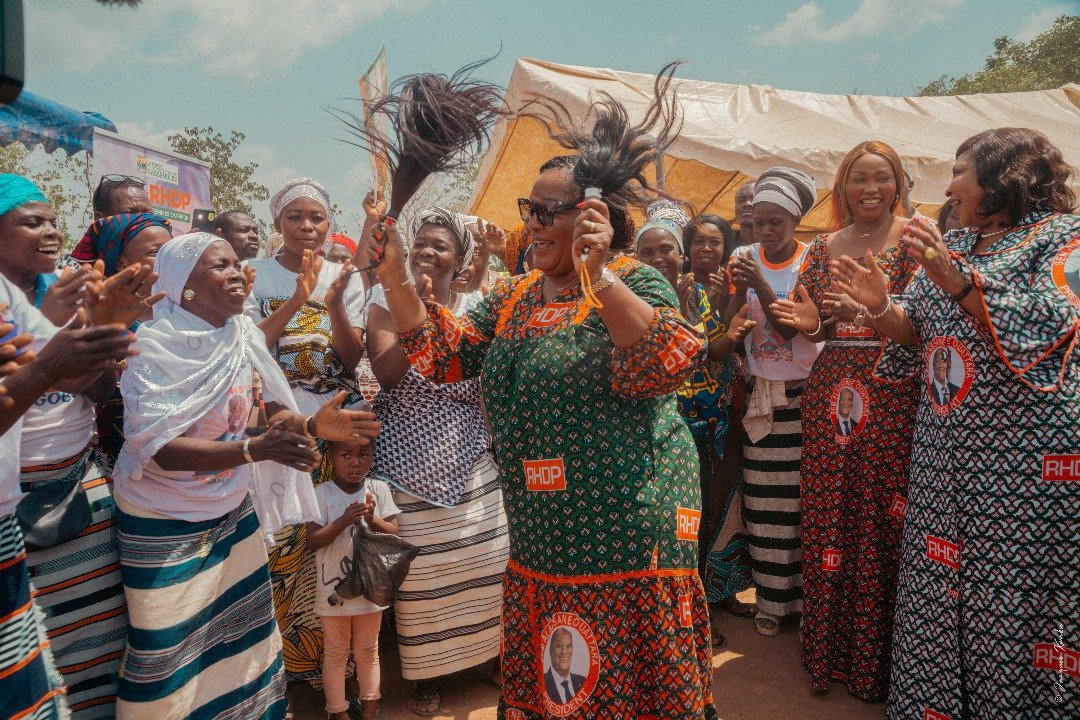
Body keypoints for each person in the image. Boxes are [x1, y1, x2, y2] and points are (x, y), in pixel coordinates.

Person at [363, 62, 719, 717]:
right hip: (541, 530)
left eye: (548, 211)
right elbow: (445, 353)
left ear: (594, 218)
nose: (532, 222)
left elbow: (664, 361)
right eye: (530, 209)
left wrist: (597, 275)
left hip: (625, 525)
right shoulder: (519, 294)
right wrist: (392, 274)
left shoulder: (636, 281)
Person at [831, 127, 1079, 718]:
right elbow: (916, 332)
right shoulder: (956, 242)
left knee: (1009, 602)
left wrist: (959, 281)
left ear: (1002, 176)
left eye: (960, 172)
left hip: (1023, 464)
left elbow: (1055, 321)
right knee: (936, 596)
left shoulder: (1064, 239)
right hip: (943, 459)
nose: (949, 187)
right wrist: (880, 307)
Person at [111, 232, 381, 719]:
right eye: (220, 266)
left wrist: (311, 426)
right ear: (184, 286)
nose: (237, 272)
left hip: (231, 511)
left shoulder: (242, 336)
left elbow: (271, 410)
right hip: (163, 521)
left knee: (243, 639)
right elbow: (159, 451)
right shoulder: (152, 349)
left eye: (237, 263)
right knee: (168, 652)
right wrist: (254, 450)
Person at [0, 177, 165, 718]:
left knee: (103, 638)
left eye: (53, 221)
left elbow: (95, 391)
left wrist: (106, 326)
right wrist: (49, 331)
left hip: (79, 489)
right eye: (32, 222)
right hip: (13, 501)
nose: (51, 231)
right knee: (31, 648)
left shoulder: (73, 291)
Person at [770, 141, 920, 698]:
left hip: (893, 388)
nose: (870, 188)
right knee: (831, 512)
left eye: (882, 177)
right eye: (859, 178)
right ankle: (830, 652)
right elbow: (817, 328)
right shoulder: (822, 248)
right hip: (831, 392)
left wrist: (872, 311)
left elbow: (923, 330)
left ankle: (881, 660)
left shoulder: (918, 240)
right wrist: (810, 322)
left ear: (898, 184)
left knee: (884, 514)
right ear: (842, 188)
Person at [365, 207, 508, 716]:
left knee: (488, 561)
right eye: (420, 243)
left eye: (440, 245)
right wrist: (418, 321)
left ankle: (495, 655)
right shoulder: (383, 302)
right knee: (424, 578)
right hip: (408, 458)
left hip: (470, 452)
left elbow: (486, 377)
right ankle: (427, 675)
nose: (428, 251)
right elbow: (387, 376)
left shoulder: (477, 309)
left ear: (459, 259)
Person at [245, 178, 369, 690]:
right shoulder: (254, 274)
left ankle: (339, 670)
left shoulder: (345, 276)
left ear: (329, 223)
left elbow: (351, 357)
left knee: (340, 539)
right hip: (284, 425)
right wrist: (297, 299)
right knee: (292, 539)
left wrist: (333, 303)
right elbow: (251, 346)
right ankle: (291, 668)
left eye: (316, 217)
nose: (307, 227)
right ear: (277, 222)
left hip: (340, 422)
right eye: (295, 217)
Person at [636, 205, 756, 648]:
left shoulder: (699, 296)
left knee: (706, 516)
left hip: (707, 425)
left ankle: (706, 601)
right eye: (648, 252)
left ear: (679, 254)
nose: (659, 258)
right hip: (660, 429)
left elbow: (712, 351)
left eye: (666, 249)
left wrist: (731, 329)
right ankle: (677, 613)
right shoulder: (632, 302)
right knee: (671, 525)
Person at [725, 167, 821, 638]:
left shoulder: (812, 259)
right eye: (758, 222)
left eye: (776, 222)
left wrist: (759, 286)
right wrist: (738, 293)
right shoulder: (743, 258)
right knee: (765, 505)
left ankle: (804, 602)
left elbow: (791, 330)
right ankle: (771, 600)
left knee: (803, 501)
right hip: (760, 393)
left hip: (805, 395)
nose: (765, 231)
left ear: (795, 221)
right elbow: (731, 321)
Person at [70, 211, 173, 468]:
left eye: (171, 249)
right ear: (120, 262)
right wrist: (104, 330)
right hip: (113, 458)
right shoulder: (89, 315)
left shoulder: (186, 310)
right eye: (155, 252)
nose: (167, 258)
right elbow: (99, 394)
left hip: (182, 464)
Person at [307, 438, 399, 720]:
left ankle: (370, 711)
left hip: (370, 588)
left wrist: (372, 519)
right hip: (332, 589)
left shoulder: (378, 489)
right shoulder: (321, 494)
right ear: (331, 458)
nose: (356, 462)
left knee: (368, 650)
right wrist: (343, 521)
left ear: (372, 456)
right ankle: (339, 713)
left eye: (364, 455)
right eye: (346, 455)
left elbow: (394, 531)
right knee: (336, 653)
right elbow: (313, 541)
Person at [543, 628, 586, 705]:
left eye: (568, 646)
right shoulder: (543, 682)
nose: (564, 651)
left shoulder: (582, 681)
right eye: (559, 646)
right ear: (551, 650)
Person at [734, 180, 756, 248]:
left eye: (754, 199)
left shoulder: (780, 248)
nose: (747, 204)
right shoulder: (724, 248)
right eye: (740, 200)